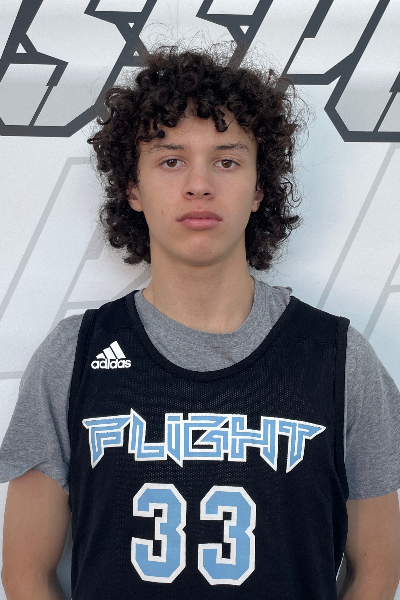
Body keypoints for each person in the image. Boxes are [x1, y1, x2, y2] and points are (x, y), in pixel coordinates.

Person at [1, 46, 400, 600]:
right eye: (170, 160)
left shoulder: (338, 359)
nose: (199, 184)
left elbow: (376, 576)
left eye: (227, 161)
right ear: (132, 188)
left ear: (259, 188)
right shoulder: (75, 354)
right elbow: (25, 575)